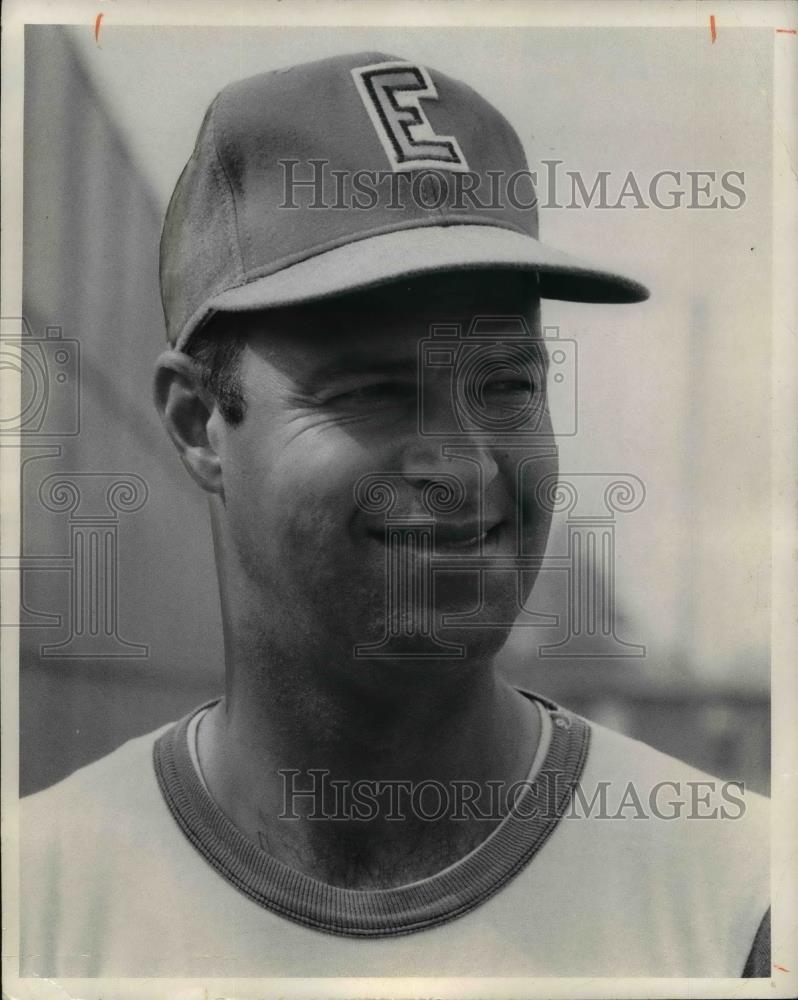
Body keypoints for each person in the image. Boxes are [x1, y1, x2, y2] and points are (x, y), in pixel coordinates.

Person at [21, 50, 769, 979]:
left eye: (504, 385)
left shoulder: (739, 909)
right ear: (198, 424)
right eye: (374, 390)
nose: (461, 461)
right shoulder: (36, 906)